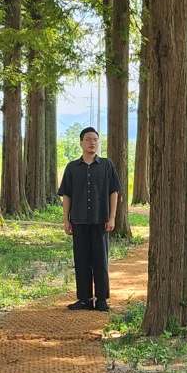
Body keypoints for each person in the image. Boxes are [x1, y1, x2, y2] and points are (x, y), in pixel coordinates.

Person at [59, 126, 121, 311]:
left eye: (95, 139)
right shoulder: (72, 168)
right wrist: (66, 220)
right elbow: (67, 195)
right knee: (82, 260)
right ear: (81, 143)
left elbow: (114, 191)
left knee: (100, 261)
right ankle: (84, 299)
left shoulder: (106, 165)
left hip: (100, 220)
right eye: (88, 139)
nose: (92, 142)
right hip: (78, 220)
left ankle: (101, 299)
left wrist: (112, 218)